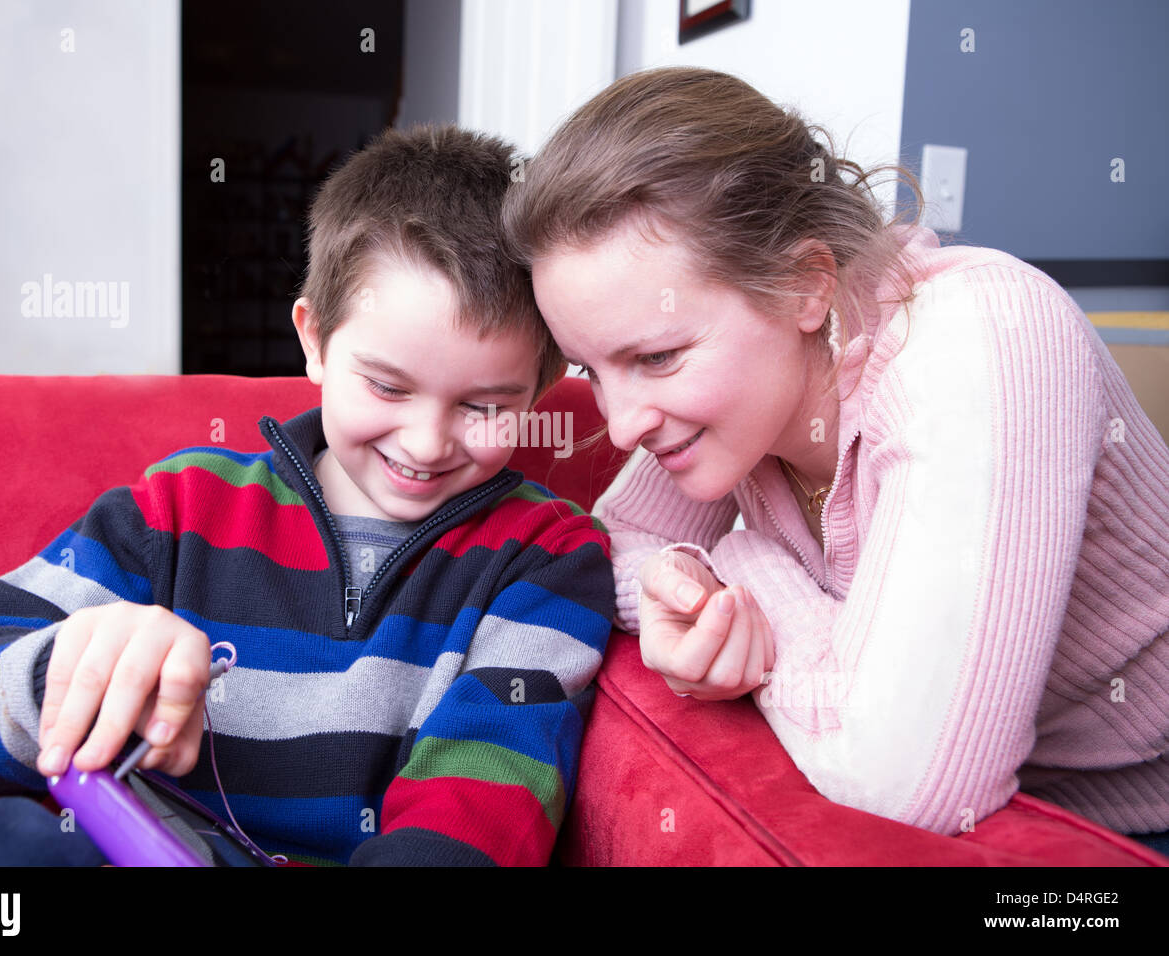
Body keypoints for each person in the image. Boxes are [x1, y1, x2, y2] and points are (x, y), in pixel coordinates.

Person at [0, 125, 614, 867]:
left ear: (541, 389)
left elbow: (474, 814)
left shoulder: (548, 558)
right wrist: (62, 672)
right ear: (316, 340)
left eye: (484, 406)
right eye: (388, 386)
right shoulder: (179, 508)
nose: (426, 443)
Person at [500, 66, 1169, 850]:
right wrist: (686, 592)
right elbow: (613, 545)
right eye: (590, 369)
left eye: (656, 357)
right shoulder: (742, 408)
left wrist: (744, 570)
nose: (617, 429)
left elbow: (903, 782)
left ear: (804, 284)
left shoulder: (982, 340)